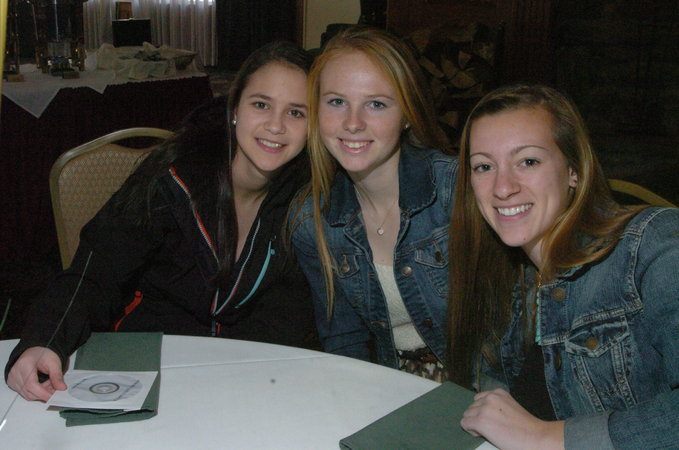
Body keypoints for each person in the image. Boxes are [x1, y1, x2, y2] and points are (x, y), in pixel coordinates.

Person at [6, 41, 317, 402]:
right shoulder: (173, 178)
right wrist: (45, 340)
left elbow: (294, 313)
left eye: (296, 112)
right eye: (261, 104)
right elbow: (96, 271)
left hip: (251, 379)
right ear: (234, 109)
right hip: (150, 364)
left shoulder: (309, 200)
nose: (276, 125)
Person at [447, 84, 679, 449]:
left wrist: (546, 438)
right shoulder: (509, 274)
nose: (502, 187)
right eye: (484, 166)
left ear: (574, 170)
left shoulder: (653, 244)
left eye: (528, 161)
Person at [289, 26, 457, 381]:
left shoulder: (454, 191)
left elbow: (504, 329)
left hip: (475, 383)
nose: (353, 123)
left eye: (376, 104)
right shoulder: (311, 222)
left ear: (407, 114)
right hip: (388, 379)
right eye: (337, 102)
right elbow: (344, 339)